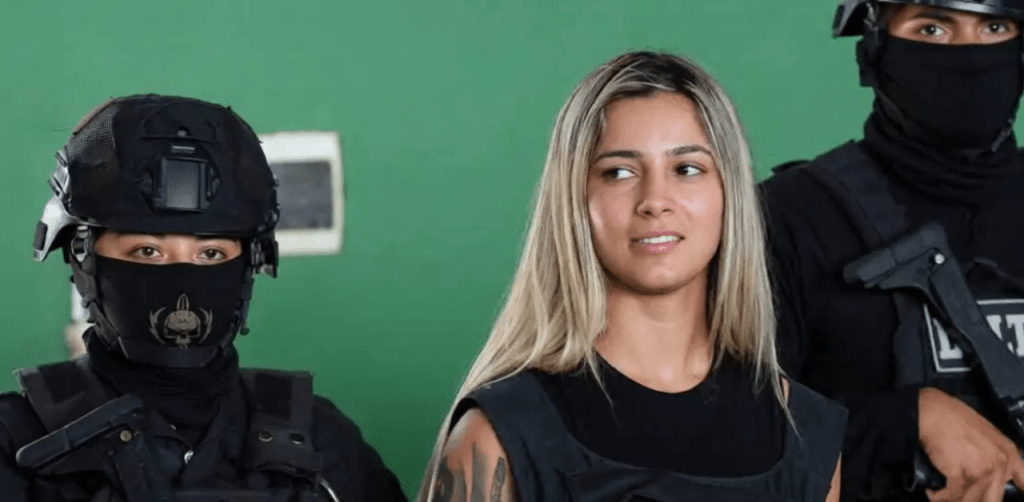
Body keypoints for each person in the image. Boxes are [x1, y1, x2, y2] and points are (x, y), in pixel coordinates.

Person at [417, 51, 846, 502]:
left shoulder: (807, 433)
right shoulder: (498, 435)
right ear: (575, 200)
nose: (655, 201)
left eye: (687, 169)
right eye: (619, 172)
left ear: (729, 192)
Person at [0, 94, 407, 501]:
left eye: (211, 253)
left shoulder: (324, 443)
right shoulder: (13, 444)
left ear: (249, 263)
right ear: (82, 257)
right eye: (147, 251)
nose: (182, 281)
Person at [760, 1, 1024, 501]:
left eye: (994, 26)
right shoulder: (788, 217)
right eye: (932, 27)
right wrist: (900, 424)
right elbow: (719, 436)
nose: (968, 54)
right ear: (874, 46)